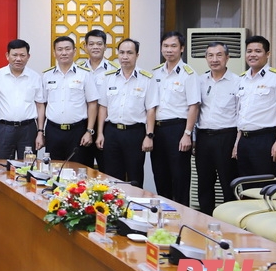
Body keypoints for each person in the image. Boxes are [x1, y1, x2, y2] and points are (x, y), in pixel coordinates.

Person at [96, 38, 158, 187]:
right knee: (112, 177)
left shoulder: (147, 79)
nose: (125, 56)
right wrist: (100, 133)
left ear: (137, 55)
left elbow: (151, 109)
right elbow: (103, 107)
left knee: (135, 176)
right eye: (122, 52)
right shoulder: (109, 77)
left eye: (129, 53)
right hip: (112, 132)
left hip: (134, 133)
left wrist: (149, 135)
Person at [150, 31, 200, 206]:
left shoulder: (188, 74)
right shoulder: (155, 73)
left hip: (178, 129)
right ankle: (163, 212)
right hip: (158, 130)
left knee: (180, 176)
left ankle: (182, 214)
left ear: (182, 48)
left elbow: (194, 106)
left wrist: (187, 134)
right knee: (160, 174)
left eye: (173, 46)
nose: (169, 50)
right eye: (165, 46)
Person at [195, 42, 239, 215]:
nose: (214, 59)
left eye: (219, 55)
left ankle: (230, 221)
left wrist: (237, 143)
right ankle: (205, 219)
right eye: (210, 55)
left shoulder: (238, 81)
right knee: (204, 182)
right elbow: (195, 110)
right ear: (206, 58)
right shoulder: (200, 81)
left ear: (227, 58)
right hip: (203, 137)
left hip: (227, 136)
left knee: (228, 182)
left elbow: (241, 113)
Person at [40, 36, 98, 166]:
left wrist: (89, 131)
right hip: (53, 130)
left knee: (78, 168)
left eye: (67, 49)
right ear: (54, 53)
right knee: (54, 168)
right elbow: (43, 104)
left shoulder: (85, 74)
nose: (64, 53)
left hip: (77, 131)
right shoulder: (47, 75)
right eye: (60, 49)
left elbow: (92, 104)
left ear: (74, 51)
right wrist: (40, 131)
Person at [0, 39, 45, 161]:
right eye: (14, 55)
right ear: (7, 56)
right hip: (4, 129)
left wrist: (40, 132)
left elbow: (40, 106)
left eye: (22, 55)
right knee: (2, 166)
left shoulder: (35, 77)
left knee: (28, 165)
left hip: (28, 129)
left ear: (28, 57)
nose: (18, 59)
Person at [234, 35, 276, 176]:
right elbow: (241, 113)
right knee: (245, 183)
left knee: (264, 183)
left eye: (258, 51)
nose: (252, 55)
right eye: (249, 51)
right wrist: (237, 142)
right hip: (244, 140)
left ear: (268, 54)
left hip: (265, 139)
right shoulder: (242, 79)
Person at [77, 29, 119, 170]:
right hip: (83, 124)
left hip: (106, 125)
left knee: (108, 167)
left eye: (99, 44)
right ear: (85, 47)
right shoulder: (78, 69)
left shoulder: (115, 70)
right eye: (91, 44)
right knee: (83, 167)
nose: (95, 47)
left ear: (105, 47)